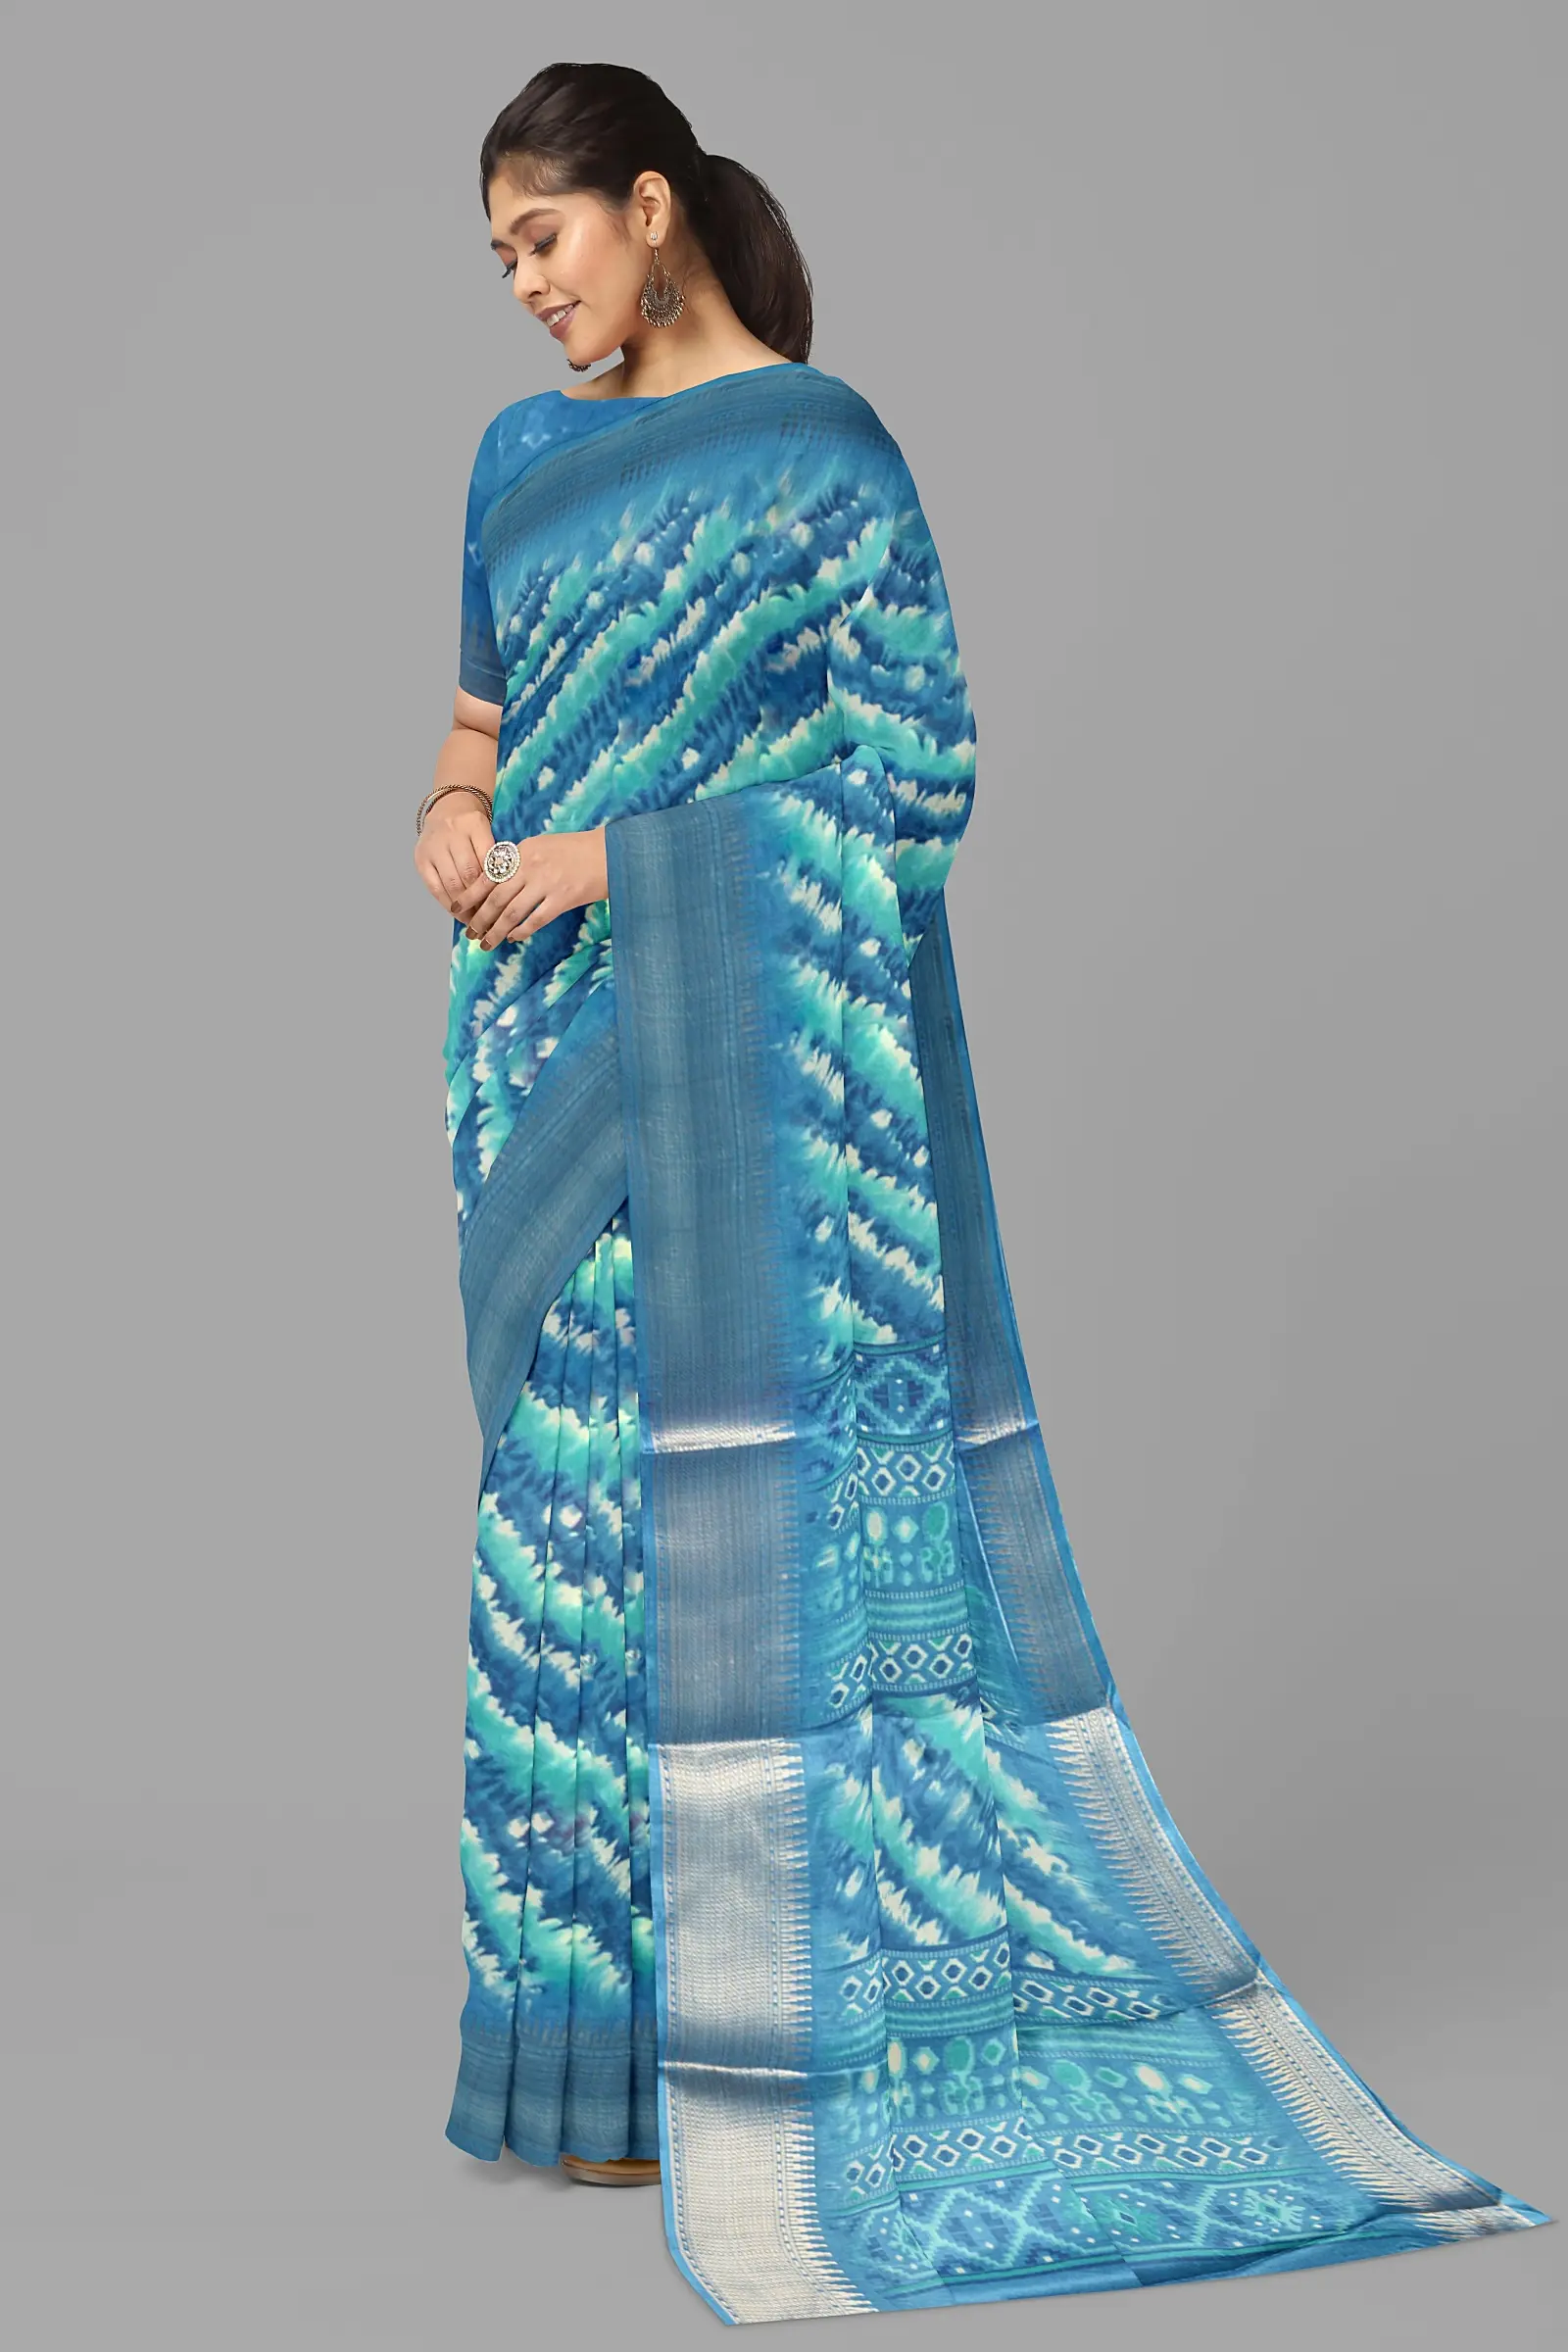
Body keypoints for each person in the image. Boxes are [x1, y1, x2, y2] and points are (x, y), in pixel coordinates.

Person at [415, 59, 1551, 2324]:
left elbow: (914, 779)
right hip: (543, 1058)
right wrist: (450, 817)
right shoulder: (515, 459)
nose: (525, 287)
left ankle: (793, 2044)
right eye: (500, 258)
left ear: (652, 206)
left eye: (544, 237)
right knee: (563, 1556)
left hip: (742, 1071)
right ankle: (589, 2066)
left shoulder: (825, 452)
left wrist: (617, 861)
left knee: (744, 1539)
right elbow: (475, 723)